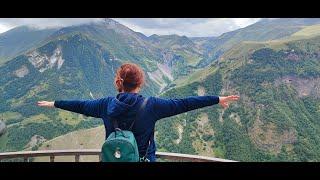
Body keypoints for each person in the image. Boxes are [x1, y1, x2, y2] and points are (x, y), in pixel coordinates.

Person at [38, 63, 240, 162]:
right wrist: (217, 99)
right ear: (140, 84)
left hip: (114, 159)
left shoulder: (104, 104)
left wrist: (54, 103)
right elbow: (185, 103)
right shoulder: (151, 106)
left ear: (119, 83)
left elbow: (80, 105)